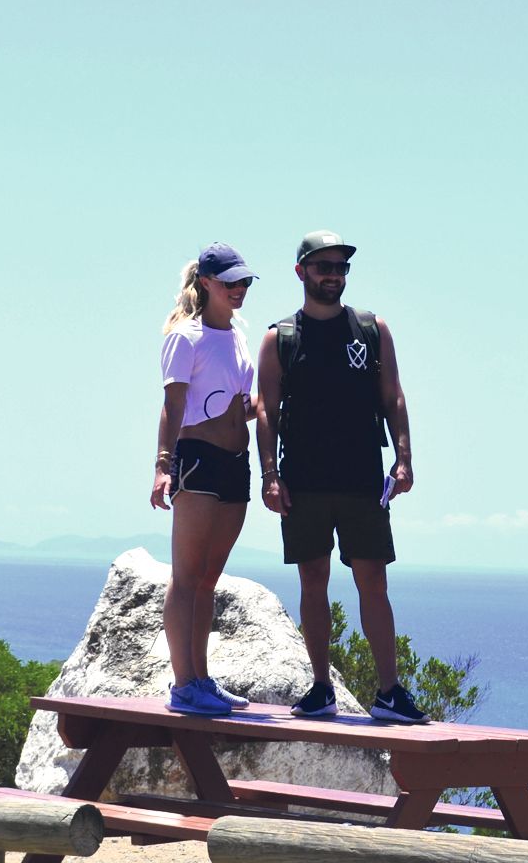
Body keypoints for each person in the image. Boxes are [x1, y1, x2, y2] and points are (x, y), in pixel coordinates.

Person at [255, 230, 427, 724]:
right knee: (314, 581)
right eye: (323, 266)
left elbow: (393, 396)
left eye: (341, 267)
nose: (334, 275)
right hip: (303, 479)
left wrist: (404, 459)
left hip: (360, 478)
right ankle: (320, 688)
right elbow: (266, 409)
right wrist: (270, 475)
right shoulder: (280, 337)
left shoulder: (372, 329)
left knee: (373, 581)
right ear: (301, 272)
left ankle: (390, 692)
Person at [151, 243, 259, 717]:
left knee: (209, 579)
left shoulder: (236, 337)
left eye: (244, 282)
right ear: (207, 283)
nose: (239, 289)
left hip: (236, 463)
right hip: (195, 459)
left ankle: (202, 679)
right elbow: (173, 406)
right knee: (187, 576)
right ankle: (183, 683)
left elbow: (243, 404)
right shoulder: (185, 337)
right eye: (230, 281)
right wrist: (162, 464)